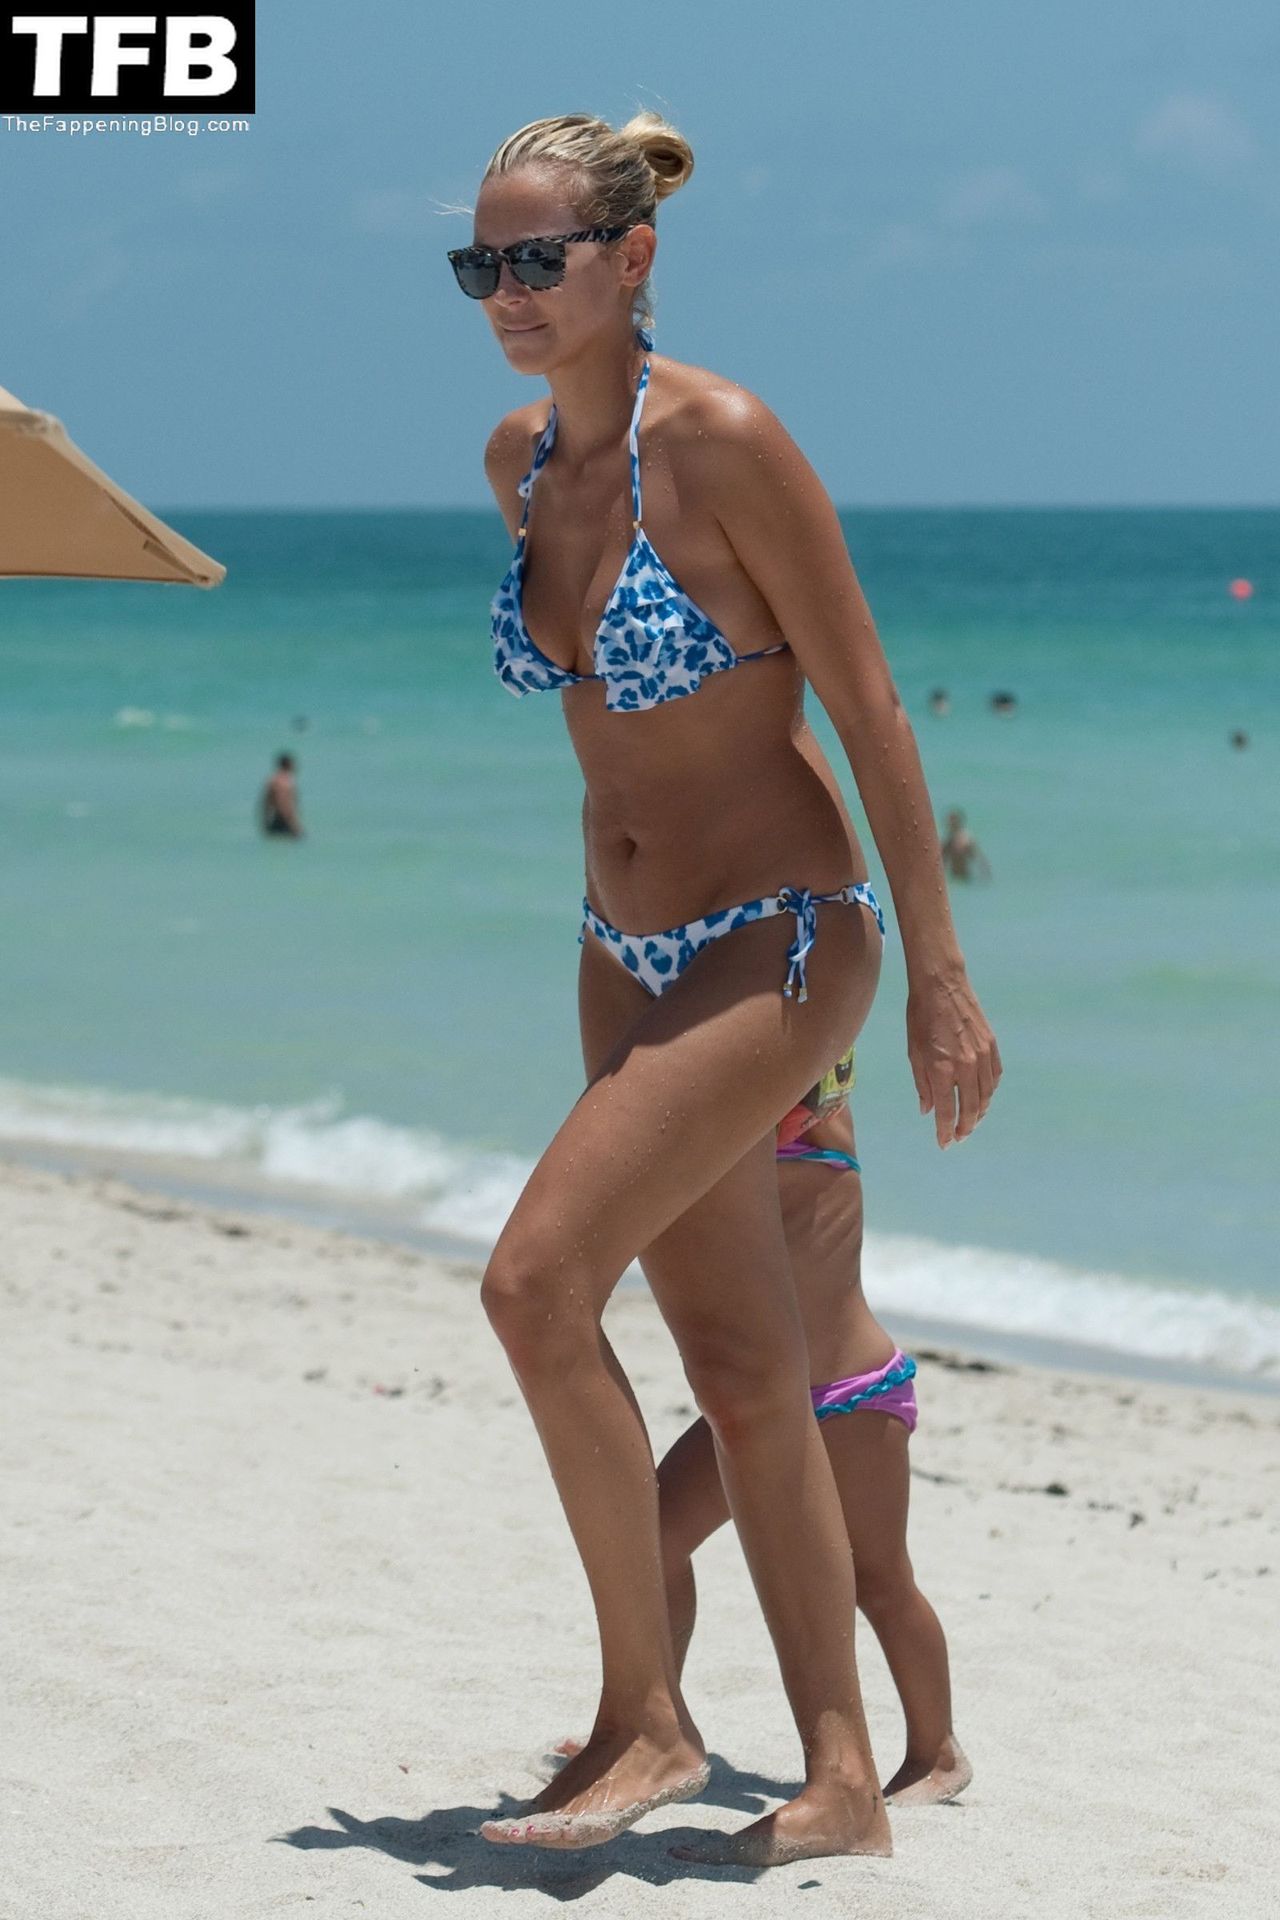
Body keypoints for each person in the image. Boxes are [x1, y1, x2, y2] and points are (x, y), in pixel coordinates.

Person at [454, 110, 1000, 1865]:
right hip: (619, 952)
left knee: (536, 1283)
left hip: (778, 936)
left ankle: (650, 1720)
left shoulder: (727, 443)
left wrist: (938, 974)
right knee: (748, 1369)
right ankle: (841, 1783)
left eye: (538, 259)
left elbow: (867, 700)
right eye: (482, 265)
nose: (508, 292)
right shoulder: (519, 461)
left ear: (633, 258)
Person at [547, 1086, 970, 1808]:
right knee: (653, 1539)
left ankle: (937, 1753)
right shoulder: (730, 1109)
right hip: (765, 1399)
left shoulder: (814, 1107)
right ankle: (650, 1722)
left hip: (851, 1393)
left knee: (880, 1580)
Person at [940, 808, 991, 883]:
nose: (950, 824)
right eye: (950, 822)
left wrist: (985, 873)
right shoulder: (948, 841)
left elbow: (978, 858)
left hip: (964, 877)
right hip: (954, 877)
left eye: (952, 822)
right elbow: (941, 861)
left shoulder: (966, 839)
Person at [258, 753, 303, 838]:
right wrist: (294, 825)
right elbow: (283, 804)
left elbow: (265, 803)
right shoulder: (284, 782)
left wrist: (265, 822)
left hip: (274, 819)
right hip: (284, 820)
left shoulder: (271, 780)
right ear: (289, 765)